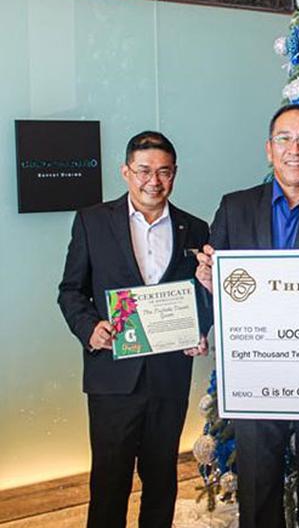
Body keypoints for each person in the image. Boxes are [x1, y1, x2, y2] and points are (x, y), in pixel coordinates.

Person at [194, 104, 299, 528]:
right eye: (285, 139)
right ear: (269, 149)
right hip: (257, 369)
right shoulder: (234, 208)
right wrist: (208, 284)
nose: (295, 149)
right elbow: (213, 280)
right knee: (257, 484)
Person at [58, 131, 210, 528]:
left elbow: (204, 296)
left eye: (163, 172)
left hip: (168, 377)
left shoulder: (195, 229)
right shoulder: (92, 221)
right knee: (109, 484)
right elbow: (70, 291)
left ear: (174, 174)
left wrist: (202, 329)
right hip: (112, 376)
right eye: (143, 170)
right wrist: (89, 328)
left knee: (162, 482)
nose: (153, 181)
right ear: (126, 171)